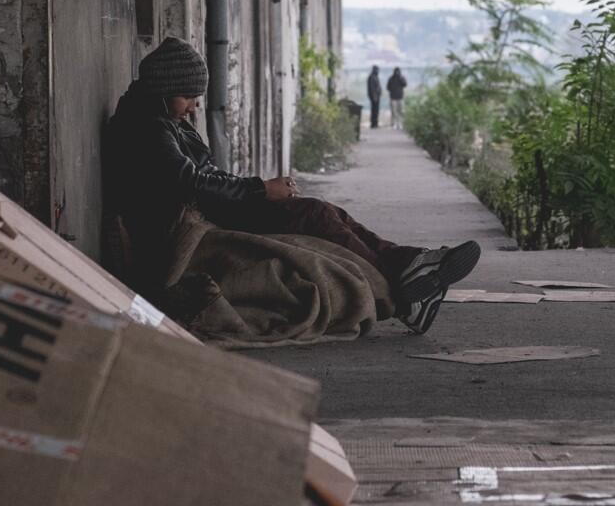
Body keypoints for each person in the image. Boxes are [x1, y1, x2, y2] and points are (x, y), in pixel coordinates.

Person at [108, 37, 479, 333]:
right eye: (188, 97)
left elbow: (204, 176)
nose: (192, 108)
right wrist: (259, 191)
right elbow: (191, 184)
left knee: (329, 213)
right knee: (316, 214)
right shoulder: (149, 128)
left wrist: (258, 188)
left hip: (213, 207)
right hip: (193, 227)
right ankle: (405, 283)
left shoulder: (162, 120)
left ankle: (410, 263)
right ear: (165, 88)